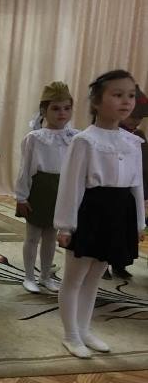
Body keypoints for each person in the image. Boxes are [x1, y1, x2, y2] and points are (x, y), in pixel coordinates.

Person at [54, 70, 143, 359]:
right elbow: (71, 185)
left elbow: (137, 186)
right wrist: (65, 225)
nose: (126, 101)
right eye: (117, 95)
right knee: (75, 277)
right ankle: (70, 335)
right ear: (96, 101)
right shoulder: (85, 141)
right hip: (90, 212)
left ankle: (84, 329)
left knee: (95, 277)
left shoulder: (132, 142)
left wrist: (138, 222)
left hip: (118, 214)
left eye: (131, 95)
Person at [15, 82, 78, 294]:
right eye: (56, 108)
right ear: (44, 110)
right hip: (39, 190)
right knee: (33, 236)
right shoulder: (34, 138)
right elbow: (25, 169)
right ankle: (28, 276)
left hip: (61, 191)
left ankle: (45, 276)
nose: (62, 113)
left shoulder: (75, 138)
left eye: (67, 108)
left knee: (51, 237)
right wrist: (22, 196)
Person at [109, 84, 148, 280]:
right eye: (133, 116)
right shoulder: (110, 133)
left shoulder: (139, 137)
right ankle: (102, 263)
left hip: (131, 190)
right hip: (111, 189)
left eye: (140, 118)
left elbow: (144, 166)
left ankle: (119, 263)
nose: (136, 121)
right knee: (108, 228)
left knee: (125, 230)